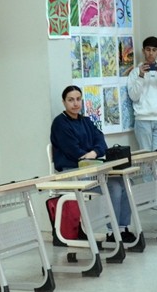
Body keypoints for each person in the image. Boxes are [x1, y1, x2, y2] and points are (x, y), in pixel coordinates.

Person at [50, 85, 135, 242]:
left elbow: (101, 142)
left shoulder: (86, 121)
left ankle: (123, 229)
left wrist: (93, 153)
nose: (75, 103)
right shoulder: (60, 123)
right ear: (64, 102)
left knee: (126, 181)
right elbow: (73, 151)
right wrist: (87, 156)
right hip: (71, 172)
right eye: (70, 100)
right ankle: (112, 232)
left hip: (92, 170)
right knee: (113, 186)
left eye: (78, 99)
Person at [127, 36, 157, 182]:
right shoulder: (135, 72)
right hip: (142, 120)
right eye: (148, 50)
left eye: (154, 50)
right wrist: (141, 76)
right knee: (147, 163)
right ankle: (150, 202)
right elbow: (133, 96)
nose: (151, 53)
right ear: (143, 51)